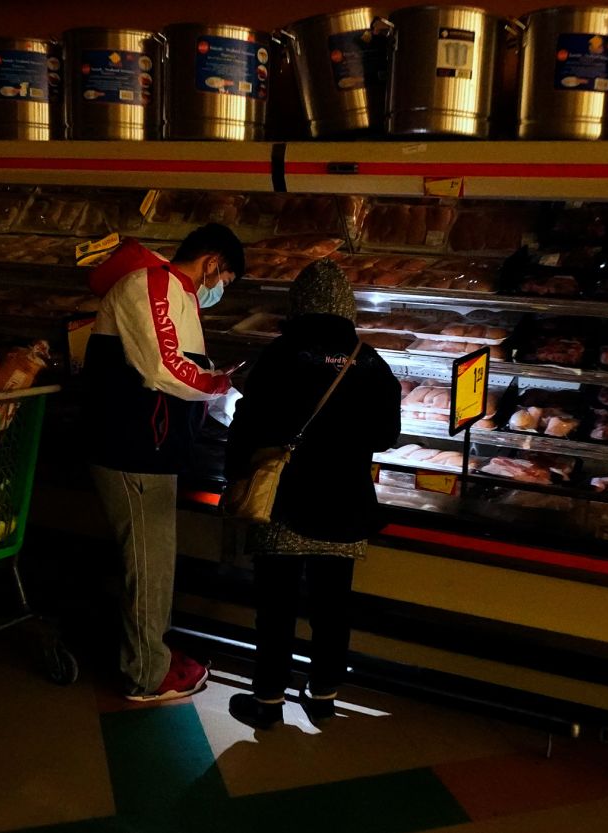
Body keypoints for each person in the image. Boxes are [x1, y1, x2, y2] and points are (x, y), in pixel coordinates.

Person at [223, 259, 401, 729]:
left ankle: (266, 702)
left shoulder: (281, 354)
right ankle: (323, 695)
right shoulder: (370, 359)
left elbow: (249, 420)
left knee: (276, 606)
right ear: (347, 306)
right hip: (346, 502)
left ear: (299, 304)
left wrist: (235, 474)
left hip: (285, 499)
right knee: (332, 607)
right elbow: (387, 434)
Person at [82, 223, 244, 702]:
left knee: (155, 561)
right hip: (131, 448)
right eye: (226, 279)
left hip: (153, 448)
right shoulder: (151, 283)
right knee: (148, 565)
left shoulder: (176, 294)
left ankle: (153, 652)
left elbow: (185, 368)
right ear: (213, 262)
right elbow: (163, 368)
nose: (220, 290)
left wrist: (228, 401)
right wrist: (218, 386)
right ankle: (146, 675)